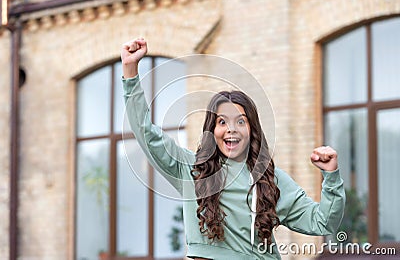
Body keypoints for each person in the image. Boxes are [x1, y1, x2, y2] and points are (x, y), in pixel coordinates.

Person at [121, 38, 345, 260]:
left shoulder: (271, 180)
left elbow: (323, 222)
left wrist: (331, 176)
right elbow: (146, 133)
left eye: (240, 122)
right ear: (212, 130)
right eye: (222, 122)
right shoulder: (190, 170)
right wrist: (130, 72)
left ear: (252, 130)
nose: (231, 129)